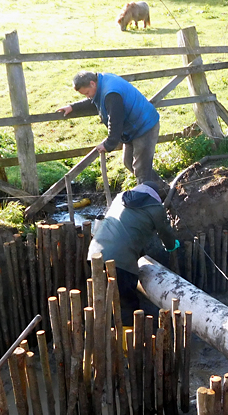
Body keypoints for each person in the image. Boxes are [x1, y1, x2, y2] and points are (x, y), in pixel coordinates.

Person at [87, 181, 179, 325]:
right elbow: (165, 232)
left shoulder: (120, 197)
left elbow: (123, 228)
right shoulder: (155, 207)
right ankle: (125, 343)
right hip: (121, 263)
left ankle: (106, 336)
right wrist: (172, 246)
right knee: (127, 305)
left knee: (102, 298)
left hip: (95, 253)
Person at [57, 71, 164, 188]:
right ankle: (161, 189)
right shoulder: (102, 81)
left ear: (92, 83)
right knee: (128, 162)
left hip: (144, 125)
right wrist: (73, 107)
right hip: (133, 127)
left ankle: (148, 200)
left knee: (141, 169)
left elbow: (115, 121)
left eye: (87, 93)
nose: (88, 97)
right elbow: (95, 100)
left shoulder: (111, 94)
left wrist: (108, 144)